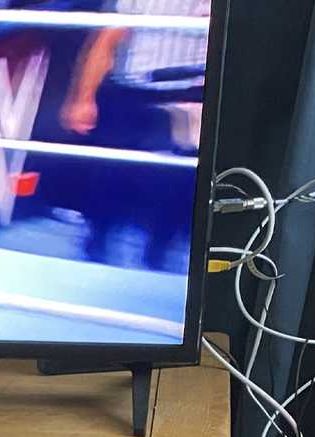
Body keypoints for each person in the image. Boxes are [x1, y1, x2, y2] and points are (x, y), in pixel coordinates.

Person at [59, 0, 211, 270]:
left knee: (183, 176)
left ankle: (158, 252)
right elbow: (107, 39)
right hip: (135, 89)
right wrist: (83, 97)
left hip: (191, 91)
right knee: (113, 170)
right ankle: (97, 244)